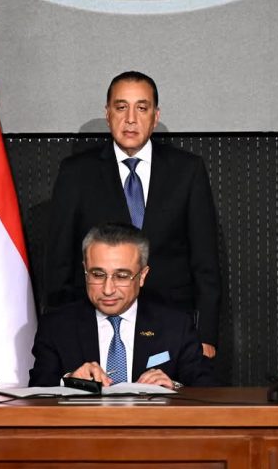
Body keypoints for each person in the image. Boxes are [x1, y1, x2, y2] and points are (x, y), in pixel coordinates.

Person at [44, 70, 222, 359]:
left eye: (141, 108)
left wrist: (206, 336)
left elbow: (205, 263)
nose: (130, 119)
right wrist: (61, 334)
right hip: (97, 327)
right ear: (107, 113)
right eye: (121, 107)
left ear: (155, 116)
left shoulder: (187, 171)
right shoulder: (76, 172)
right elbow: (59, 263)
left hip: (172, 326)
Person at [30, 222, 214, 388]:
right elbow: (38, 388)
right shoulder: (57, 327)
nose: (108, 289)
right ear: (85, 270)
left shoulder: (175, 326)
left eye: (122, 276)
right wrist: (69, 381)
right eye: (97, 275)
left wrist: (174, 386)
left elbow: (207, 388)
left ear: (142, 276)